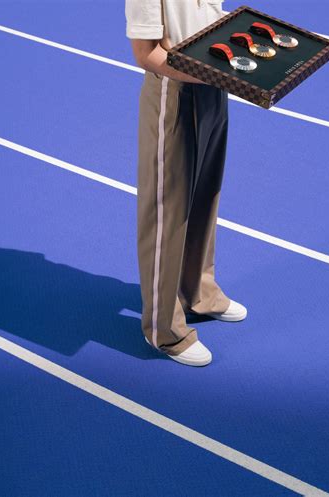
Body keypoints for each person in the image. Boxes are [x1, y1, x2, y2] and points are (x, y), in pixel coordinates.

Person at [125, 0, 247, 367]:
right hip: (174, 91)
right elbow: (146, 55)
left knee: (206, 195)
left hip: (212, 88)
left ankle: (199, 292)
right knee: (168, 211)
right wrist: (209, 73)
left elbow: (212, 18)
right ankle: (164, 330)